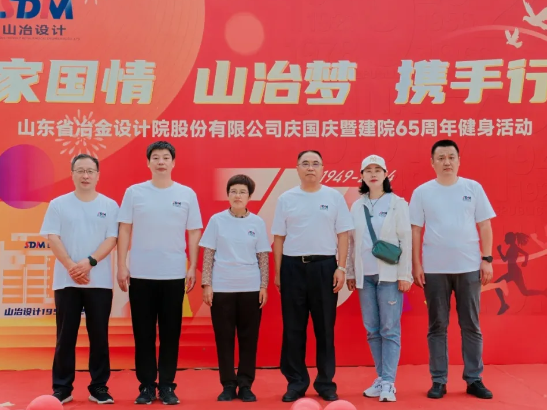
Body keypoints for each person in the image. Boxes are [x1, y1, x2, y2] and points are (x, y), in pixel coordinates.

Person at [117, 141, 203, 405]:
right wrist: (121, 265)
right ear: (148, 162)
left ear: (173, 162)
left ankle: (166, 385)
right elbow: (124, 229)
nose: (161, 161)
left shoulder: (186, 194)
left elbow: (194, 232)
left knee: (170, 333)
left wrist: (192, 266)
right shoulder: (134, 192)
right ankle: (146, 386)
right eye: (156, 157)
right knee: (142, 333)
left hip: (173, 274)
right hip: (141, 274)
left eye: (166, 157)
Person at [409, 139, 495, 400]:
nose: (446, 162)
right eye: (441, 158)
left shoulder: (473, 188)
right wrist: (416, 264)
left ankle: (474, 379)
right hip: (434, 269)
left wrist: (487, 259)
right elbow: (415, 230)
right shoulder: (422, 192)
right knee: (437, 325)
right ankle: (438, 380)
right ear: (432, 162)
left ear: (458, 160)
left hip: (469, 267)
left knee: (471, 324)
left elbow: (485, 225)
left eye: (451, 157)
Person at [271, 150, 354, 403]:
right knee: (293, 328)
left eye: (315, 163)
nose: (310, 168)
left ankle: (325, 383)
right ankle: (296, 382)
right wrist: (278, 272)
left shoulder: (333, 197)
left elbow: (343, 235)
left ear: (322, 168)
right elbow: (278, 237)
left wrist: (341, 268)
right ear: (297, 168)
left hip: (325, 267)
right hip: (292, 267)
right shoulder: (286, 198)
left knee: (325, 328)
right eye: (305, 163)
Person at [40, 154, 119, 405]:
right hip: (66, 281)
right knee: (65, 336)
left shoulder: (109, 205)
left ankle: (99, 387)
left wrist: (89, 262)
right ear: (72, 174)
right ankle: (62, 387)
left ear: (98, 175)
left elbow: (112, 239)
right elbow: (52, 237)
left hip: (99, 281)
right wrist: (71, 266)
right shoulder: (58, 204)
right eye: (80, 171)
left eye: (90, 171)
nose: (85, 175)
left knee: (99, 336)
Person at [346, 155, 412, 402]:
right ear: (362, 176)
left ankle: (388, 383)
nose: (373, 174)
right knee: (372, 330)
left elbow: (406, 239)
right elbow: (352, 242)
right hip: (365, 276)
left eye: (377, 169)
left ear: (386, 174)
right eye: (368, 170)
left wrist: (404, 274)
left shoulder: (397, 203)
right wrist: (351, 272)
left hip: (390, 276)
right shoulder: (356, 206)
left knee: (389, 329)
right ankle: (381, 377)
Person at [199, 174, 271, 402]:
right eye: (233, 191)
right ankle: (228, 384)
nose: (237, 196)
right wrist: (207, 284)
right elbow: (208, 254)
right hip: (222, 288)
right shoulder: (217, 220)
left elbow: (263, 257)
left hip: (250, 288)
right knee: (224, 338)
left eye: (242, 192)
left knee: (249, 338)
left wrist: (263, 286)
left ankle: (246, 384)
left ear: (249, 196)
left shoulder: (257, 223)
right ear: (227, 195)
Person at [495, 232, 547, 315]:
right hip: (514, 272)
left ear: (510, 239)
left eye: (506, 238)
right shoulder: (513, 247)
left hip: (514, 272)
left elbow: (505, 259)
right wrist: (525, 262)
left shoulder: (513, 248)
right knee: (524, 292)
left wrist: (499, 251)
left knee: (498, 285)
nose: (505, 240)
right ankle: (543, 292)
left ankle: (504, 305)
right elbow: (526, 254)